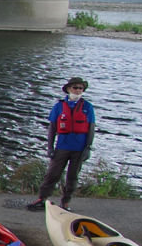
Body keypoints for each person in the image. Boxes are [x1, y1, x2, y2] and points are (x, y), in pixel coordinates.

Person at [27, 76, 96, 212]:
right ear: (69, 89)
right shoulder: (59, 106)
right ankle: (43, 199)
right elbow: (52, 128)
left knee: (73, 176)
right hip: (62, 147)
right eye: (75, 87)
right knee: (52, 173)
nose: (78, 90)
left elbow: (91, 129)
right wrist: (50, 147)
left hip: (79, 148)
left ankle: (65, 202)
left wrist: (88, 147)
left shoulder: (88, 107)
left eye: (80, 88)